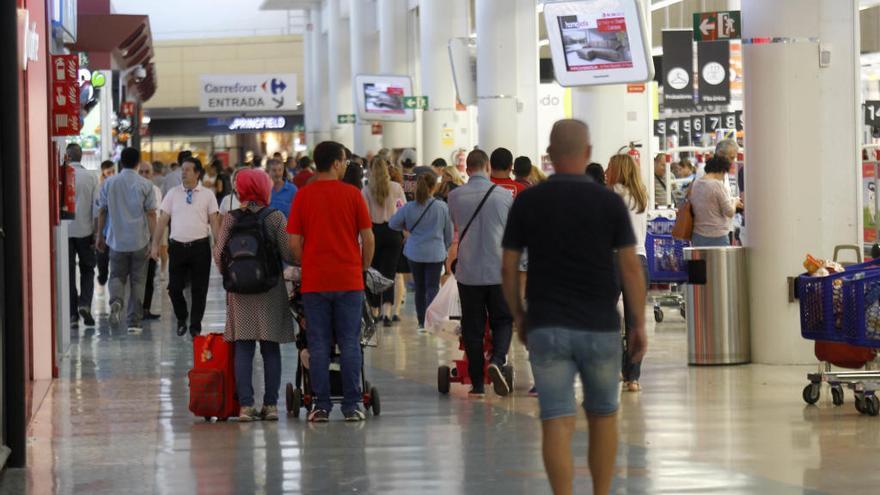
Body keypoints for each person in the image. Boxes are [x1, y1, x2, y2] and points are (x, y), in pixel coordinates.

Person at [500, 119, 647, 495]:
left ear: (549, 156)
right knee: (603, 419)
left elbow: (509, 263)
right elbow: (630, 267)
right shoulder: (609, 201)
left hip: (547, 325)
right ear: (588, 153)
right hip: (599, 325)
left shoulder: (529, 200)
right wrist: (638, 325)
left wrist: (519, 315)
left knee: (556, 421)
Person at [287, 141, 375, 423]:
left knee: (319, 343)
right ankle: (352, 405)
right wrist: (362, 266)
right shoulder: (352, 194)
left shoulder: (303, 196)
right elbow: (368, 238)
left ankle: (320, 405)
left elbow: (293, 242)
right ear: (336, 163)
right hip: (349, 280)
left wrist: (307, 263)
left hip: (315, 282)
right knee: (350, 342)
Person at [214, 169, 295, 422]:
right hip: (270, 290)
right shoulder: (275, 217)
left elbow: (218, 255)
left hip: (240, 293)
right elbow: (289, 254)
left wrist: (234, 275)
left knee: (244, 348)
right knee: (270, 348)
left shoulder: (231, 218)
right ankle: (270, 406)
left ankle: (246, 407)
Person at [448, 149, 514, 397]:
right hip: (498, 271)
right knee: (503, 320)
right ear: (487, 166)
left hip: (469, 272)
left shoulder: (454, 196)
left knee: (472, 327)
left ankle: (476, 383)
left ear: (467, 169)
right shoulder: (504, 196)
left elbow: (452, 231)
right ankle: (497, 360)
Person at [151, 156, 221, 337]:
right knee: (174, 288)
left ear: (197, 173)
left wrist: (218, 246)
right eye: (182, 169)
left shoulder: (207, 195)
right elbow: (162, 220)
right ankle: (182, 317)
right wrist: (155, 244)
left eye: (188, 169)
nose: (183, 172)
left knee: (199, 290)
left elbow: (214, 222)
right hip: (177, 248)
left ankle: (195, 325)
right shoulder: (173, 194)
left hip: (200, 248)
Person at [96, 147, 158, 332]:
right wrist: (154, 241)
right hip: (140, 240)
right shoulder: (146, 185)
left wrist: (100, 235)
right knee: (138, 281)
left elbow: (101, 211)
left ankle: (116, 302)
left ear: (120, 162)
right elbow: (151, 214)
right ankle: (134, 322)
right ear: (138, 162)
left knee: (116, 276)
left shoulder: (109, 183)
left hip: (116, 241)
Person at [606, 154, 650, 392]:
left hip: (613, 259)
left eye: (609, 167)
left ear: (617, 170)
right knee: (635, 322)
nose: (605, 170)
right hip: (639, 259)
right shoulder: (641, 196)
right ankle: (633, 377)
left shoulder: (609, 194)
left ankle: (613, 367)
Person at [389, 173, 452, 331]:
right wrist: (443, 247)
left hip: (415, 251)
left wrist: (406, 229)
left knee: (420, 287)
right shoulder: (442, 207)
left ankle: (421, 322)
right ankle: (432, 322)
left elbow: (392, 224)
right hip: (435, 252)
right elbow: (449, 233)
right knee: (432, 287)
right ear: (433, 187)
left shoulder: (409, 207)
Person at [362, 157, 406, 325]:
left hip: (373, 232)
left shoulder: (366, 190)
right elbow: (403, 209)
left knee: (373, 271)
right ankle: (387, 312)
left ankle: (374, 309)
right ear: (387, 169)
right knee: (390, 273)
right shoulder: (396, 188)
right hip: (393, 232)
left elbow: (364, 216)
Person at [66, 143, 99, 327]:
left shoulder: (62, 175)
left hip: (66, 233)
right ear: (81, 157)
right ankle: (84, 303)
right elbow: (96, 209)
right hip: (85, 232)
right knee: (87, 269)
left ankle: (72, 316)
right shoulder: (91, 177)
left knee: (68, 273)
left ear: (67, 156)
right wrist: (96, 233)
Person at [689, 156, 741, 247]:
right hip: (717, 236)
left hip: (698, 235)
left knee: (702, 261)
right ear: (721, 171)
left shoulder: (696, 183)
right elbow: (729, 212)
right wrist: (735, 201)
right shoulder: (716, 185)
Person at [137, 161, 164, 321]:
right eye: (141, 172)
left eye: (147, 172)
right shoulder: (132, 189)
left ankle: (145, 308)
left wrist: (156, 241)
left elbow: (158, 215)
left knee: (149, 275)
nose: (145, 175)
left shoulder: (156, 191)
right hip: (135, 238)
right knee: (136, 277)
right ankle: (135, 310)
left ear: (152, 174)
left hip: (151, 237)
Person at [95, 160, 117, 292]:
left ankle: (113, 288)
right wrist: (97, 232)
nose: (112, 174)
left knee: (115, 264)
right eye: (109, 172)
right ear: (103, 173)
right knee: (102, 259)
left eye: (113, 171)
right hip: (104, 230)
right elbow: (99, 211)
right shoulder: (100, 187)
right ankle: (103, 275)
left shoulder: (118, 185)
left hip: (115, 231)